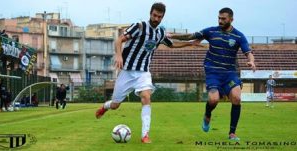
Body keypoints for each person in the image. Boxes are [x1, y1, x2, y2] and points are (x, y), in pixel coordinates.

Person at [95, 2, 198, 144]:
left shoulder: (160, 32)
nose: (156, 18)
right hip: (126, 72)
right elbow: (119, 40)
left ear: (162, 17)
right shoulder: (139, 26)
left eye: (159, 17)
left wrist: (189, 43)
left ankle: (145, 135)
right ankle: (105, 107)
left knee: (146, 97)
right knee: (115, 105)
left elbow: (172, 44)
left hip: (143, 72)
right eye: (154, 15)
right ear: (150, 13)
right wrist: (118, 55)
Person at [168, 7, 256, 141]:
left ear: (231, 19)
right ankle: (207, 115)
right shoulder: (211, 31)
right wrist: (172, 35)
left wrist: (251, 61)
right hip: (213, 72)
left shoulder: (238, 36)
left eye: (223, 19)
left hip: (230, 73)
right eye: (219, 18)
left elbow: (248, 52)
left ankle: (232, 133)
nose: (220, 21)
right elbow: (191, 36)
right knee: (213, 99)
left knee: (237, 98)